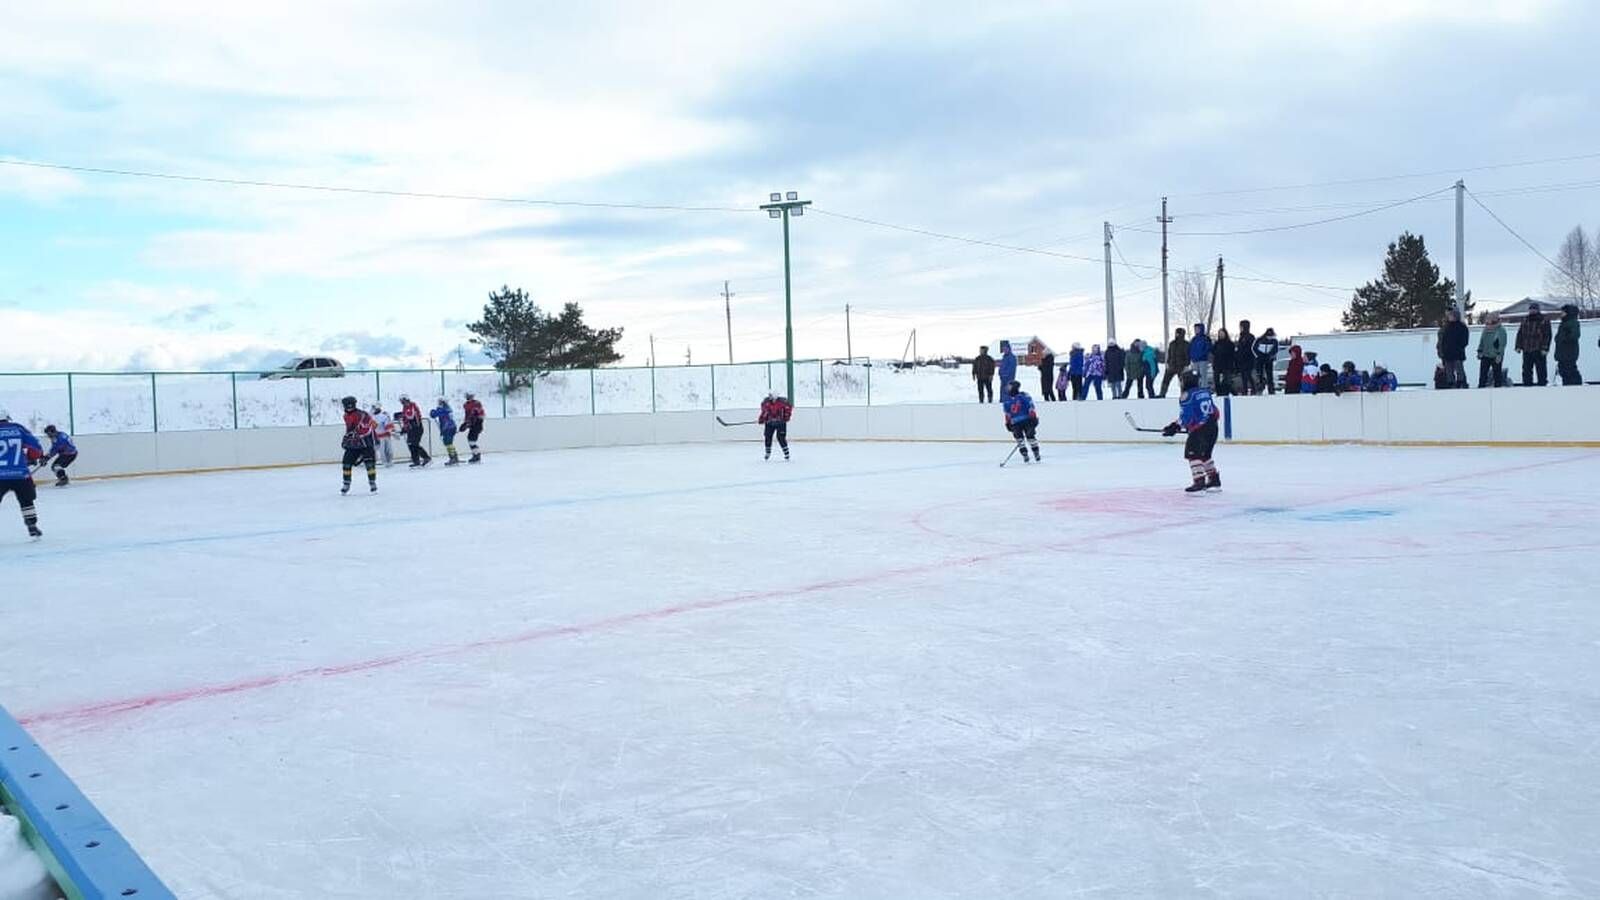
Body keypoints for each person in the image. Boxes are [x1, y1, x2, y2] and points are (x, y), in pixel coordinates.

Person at [1160, 371, 1220, 493]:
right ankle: (1214, 479)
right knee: (1205, 455)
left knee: (1193, 454)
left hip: (1200, 429)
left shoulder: (1187, 395)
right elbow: (1215, 412)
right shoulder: (1205, 392)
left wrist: (1175, 427)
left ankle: (1199, 481)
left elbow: (1186, 417)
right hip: (1213, 426)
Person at [0, 409, 45, 539]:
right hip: (20, 474)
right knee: (27, 501)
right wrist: (33, 457)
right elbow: (35, 448)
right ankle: (32, 526)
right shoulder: (18, 429)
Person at [338, 396, 379, 495]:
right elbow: (350, 430)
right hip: (354, 444)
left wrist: (357, 434)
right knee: (346, 463)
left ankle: (372, 483)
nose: (347, 407)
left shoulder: (362, 415)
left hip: (366, 443)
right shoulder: (346, 416)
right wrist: (347, 437)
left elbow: (371, 427)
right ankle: (346, 484)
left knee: (369, 464)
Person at [1002, 381, 1041, 463]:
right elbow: (1007, 413)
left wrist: (1033, 417)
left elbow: (1030, 406)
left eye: (1010, 387)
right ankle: (1024, 454)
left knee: (1030, 436)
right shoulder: (1007, 400)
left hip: (1027, 420)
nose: (1008, 389)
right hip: (1015, 423)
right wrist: (1008, 422)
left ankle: (1036, 452)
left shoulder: (1023, 396)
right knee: (1019, 439)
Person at [1516, 304, 1552, 386]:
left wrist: (1545, 348)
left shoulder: (1544, 320)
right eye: (1531, 309)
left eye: (1534, 309)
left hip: (1539, 349)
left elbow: (1547, 335)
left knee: (1541, 369)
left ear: (1538, 310)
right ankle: (1527, 385)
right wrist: (1518, 346)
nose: (1532, 311)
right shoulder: (1525, 320)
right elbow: (1520, 334)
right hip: (1526, 349)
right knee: (1526, 370)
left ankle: (1542, 385)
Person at [1437, 308, 1470, 389]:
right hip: (1447, 353)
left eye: (1451, 315)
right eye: (1449, 316)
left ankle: (1461, 383)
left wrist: (1459, 347)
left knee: (1459, 369)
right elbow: (1443, 340)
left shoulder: (1462, 327)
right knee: (1449, 370)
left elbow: (1465, 340)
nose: (1450, 317)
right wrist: (1443, 351)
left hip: (1458, 353)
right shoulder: (1447, 327)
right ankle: (1451, 383)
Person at [1476, 312, 1508, 388]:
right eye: (1487, 322)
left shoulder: (1501, 331)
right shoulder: (1485, 330)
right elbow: (1482, 341)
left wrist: (1499, 355)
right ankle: (1481, 388)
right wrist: (1480, 351)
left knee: (1497, 374)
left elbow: (1502, 344)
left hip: (1496, 356)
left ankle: (1498, 388)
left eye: (1490, 321)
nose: (1488, 324)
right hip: (1485, 355)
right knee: (1483, 374)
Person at [398, 394, 431, 467]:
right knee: (410, 444)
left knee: (414, 444)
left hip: (417, 428)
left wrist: (403, 415)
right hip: (411, 429)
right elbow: (405, 419)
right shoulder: (405, 408)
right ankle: (416, 461)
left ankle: (426, 457)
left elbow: (411, 415)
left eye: (403, 401)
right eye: (402, 402)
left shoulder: (413, 405)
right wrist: (404, 428)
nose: (403, 403)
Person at [758, 391, 793, 459]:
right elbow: (764, 412)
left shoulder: (783, 402)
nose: (770, 397)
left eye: (771, 396)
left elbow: (788, 410)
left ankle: (786, 453)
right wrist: (761, 419)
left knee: (781, 437)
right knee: (767, 436)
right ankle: (767, 453)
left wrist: (786, 417)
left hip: (781, 423)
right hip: (769, 423)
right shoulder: (766, 402)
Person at [1555, 303, 1583, 385]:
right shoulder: (1563, 323)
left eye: (1563, 312)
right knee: (1563, 369)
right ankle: (1567, 384)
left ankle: (1575, 384)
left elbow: (1575, 335)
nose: (1561, 314)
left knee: (1570, 369)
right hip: (1562, 351)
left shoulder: (1573, 322)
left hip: (1569, 351)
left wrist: (1564, 338)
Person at [1159, 327, 1190, 397]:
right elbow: (1169, 354)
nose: (1176, 334)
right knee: (1165, 380)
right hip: (1171, 366)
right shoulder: (1172, 343)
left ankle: (1184, 395)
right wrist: (1167, 363)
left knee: (1183, 382)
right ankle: (1162, 394)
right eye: (1176, 333)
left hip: (1181, 366)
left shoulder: (1186, 344)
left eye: (1177, 333)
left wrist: (1186, 365)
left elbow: (1187, 355)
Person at [430, 397, 462, 466]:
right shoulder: (447, 408)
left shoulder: (444, 409)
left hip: (448, 428)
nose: (439, 403)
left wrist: (433, 412)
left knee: (448, 442)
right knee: (448, 443)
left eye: (440, 402)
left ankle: (453, 457)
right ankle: (453, 457)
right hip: (449, 427)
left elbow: (435, 414)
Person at [1253, 328, 1280, 395]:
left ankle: (1271, 390)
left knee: (1269, 375)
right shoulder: (1259, 340)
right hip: (1260, 360)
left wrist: (1270, 355)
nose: (1269, 338)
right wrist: (1259, 356)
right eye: (1268, 336)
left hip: (1269, 360)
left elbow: (1275, 350)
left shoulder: (1274, 341)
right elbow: (1254, 348)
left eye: (1271, 336)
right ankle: (1260, 388)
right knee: (1260, 375)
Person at [462, 392, 487, 463]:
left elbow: (479, 413)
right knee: (470, 439)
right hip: (473, 424)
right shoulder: (466, 405)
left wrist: (474, 419)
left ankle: (477, 455)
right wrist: (465, 423)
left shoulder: (477, 403)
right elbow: (467, 415)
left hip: (477, 424)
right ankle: (476, 455)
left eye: (469, 396)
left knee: (471, 440)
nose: (468, 397)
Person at [1211, 328, 1237, 396]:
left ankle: (1226, 392)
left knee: (1227, 380)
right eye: (1219, 333)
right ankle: (1218, 392)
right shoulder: (1217, 343)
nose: (1221, 335)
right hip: (1217, 364)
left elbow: (1232, 354)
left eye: (1222, 333)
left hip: (1226, 364)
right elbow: (1213, 352)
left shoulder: (1230, 344)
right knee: (1216, 379)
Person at [1187, 322, 1213, 388]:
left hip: (1202, 360)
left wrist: (1202, 355)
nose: (1196, 330)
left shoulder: (1205, 338)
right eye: (1195, 329)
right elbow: (1191, 349)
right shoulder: (1194, 339)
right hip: (1195, 361)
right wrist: (1191, 357)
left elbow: (1208, 348)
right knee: (1195, 376)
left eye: (1197, 328)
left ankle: (1204, 388)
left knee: (1203, 375)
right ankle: (1196, 388)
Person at [1235, 320, 1257, 395]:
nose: (1240, 328)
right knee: (1243, 376)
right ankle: (1245, 390)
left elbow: (1251, 348)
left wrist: (1243, 353)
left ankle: (1253, 389)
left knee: (1248, 375)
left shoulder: (1250, 337)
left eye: (1241, 327)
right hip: (1242, 360)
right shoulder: (1241, 337)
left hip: (1248, 359)